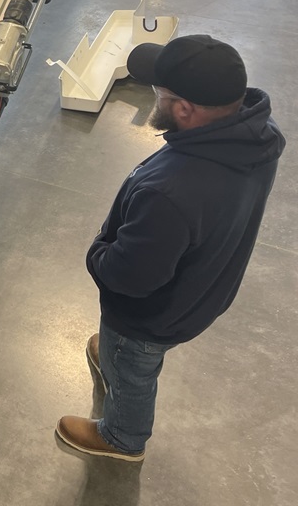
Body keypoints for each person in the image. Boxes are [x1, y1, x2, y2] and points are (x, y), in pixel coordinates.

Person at [56, 35, 285, 461]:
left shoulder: (173, 193)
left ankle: (123, 437)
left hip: (150, 317)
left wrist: (97, 253)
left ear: (183, 109)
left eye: (158, 94)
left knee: (134, 367)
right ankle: (112, 357)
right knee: (121, 353)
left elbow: (132, 277)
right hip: (202, 288)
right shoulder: (257, 137)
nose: (153, 100)